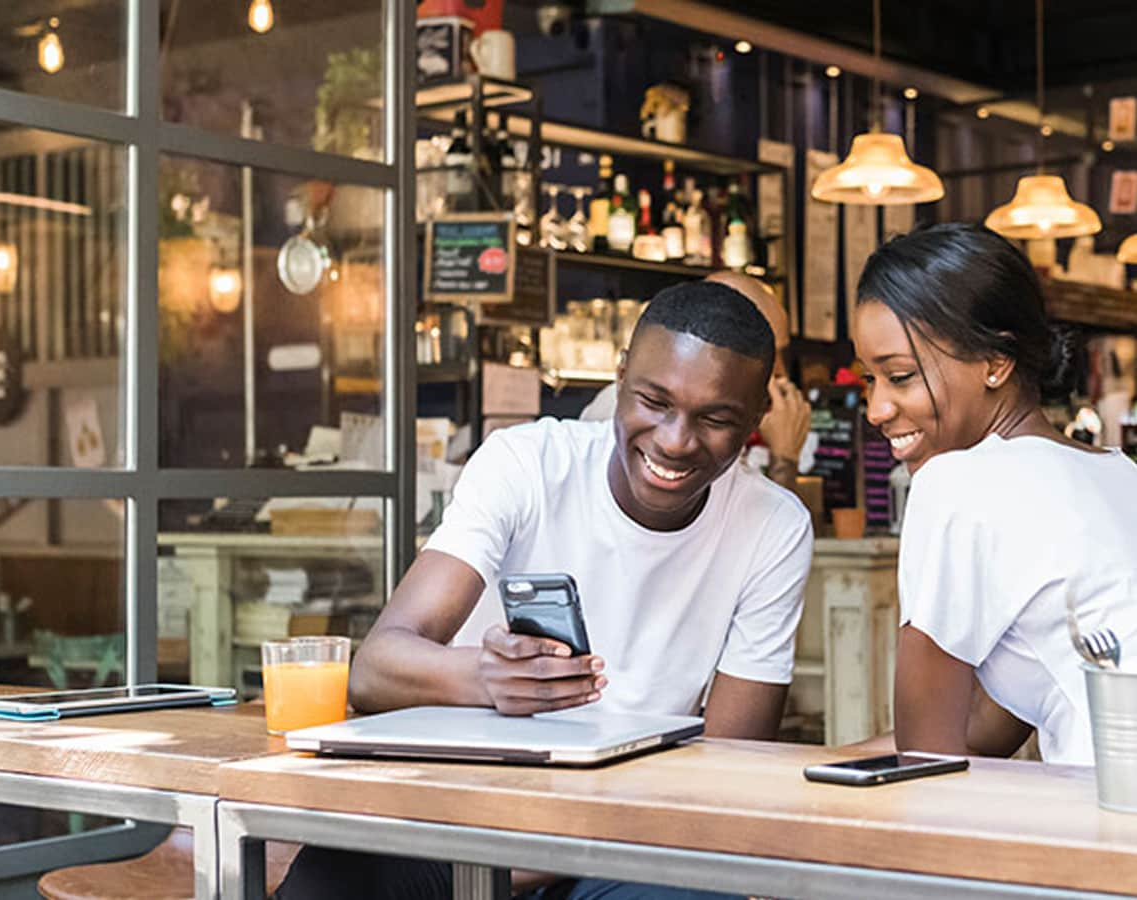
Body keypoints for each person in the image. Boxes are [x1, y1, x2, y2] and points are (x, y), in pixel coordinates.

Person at [275, 280, 814, 900]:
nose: (674, 439)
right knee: (332, 879)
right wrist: (486, 678)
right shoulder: (527, 464)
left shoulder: (773, 527)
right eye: (653, 401)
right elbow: (375, 668)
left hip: (622, 847)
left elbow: (729, 768)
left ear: (756, 421)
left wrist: (558, 848)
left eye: (716, 419)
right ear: (618, 378)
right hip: (466, 818)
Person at [851, 222, 1137, 764]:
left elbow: (926, 759)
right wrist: (807, 766)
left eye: (901, 376)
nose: (877, 409)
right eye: (870, 379)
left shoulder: (958, 483)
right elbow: (987, 728)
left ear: (995, 363)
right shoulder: (1120, 474)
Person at [580, 272, 811, 492]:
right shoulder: (623, 408)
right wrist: (784, 461)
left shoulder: (754, 415)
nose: (779, 371)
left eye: (779, 353)